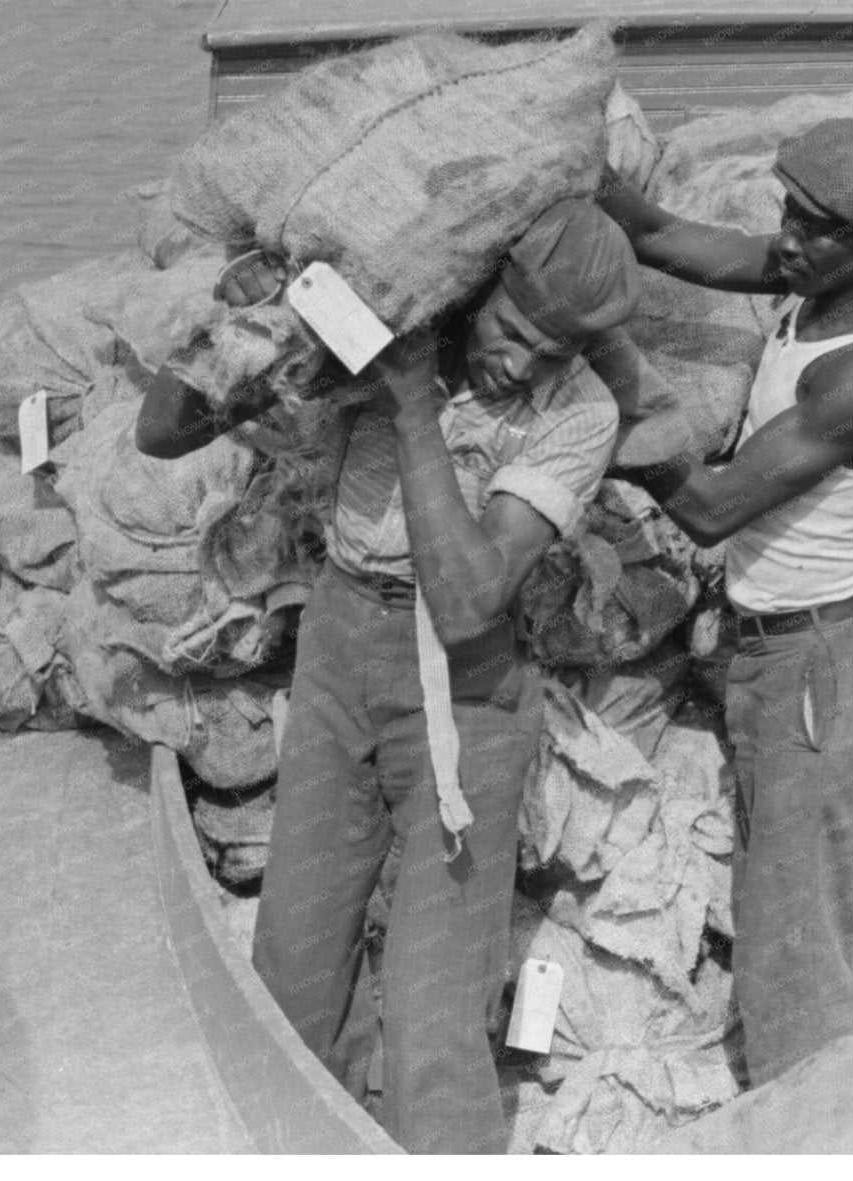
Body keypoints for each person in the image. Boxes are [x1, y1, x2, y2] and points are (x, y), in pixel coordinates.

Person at [133, 199, 636, 1153]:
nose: (522, 364)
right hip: (338, 642)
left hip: (468, 691)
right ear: (471, 288)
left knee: (433, 1016)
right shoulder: (386, 337)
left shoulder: (579, 415)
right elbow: (160, 433)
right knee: (294, 962)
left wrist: (413, 406)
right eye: (513, 332)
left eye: (553, 351)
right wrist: (244, 325)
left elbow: (468, 600)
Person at [595, 117, 853, 1085]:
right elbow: (664, 237)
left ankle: (819, 1123)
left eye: (812, 224)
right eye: (787, 210)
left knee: (793, 942)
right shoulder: (813, 283)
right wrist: (581, 173)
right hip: (773, 653)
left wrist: (606, 372)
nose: (785, 235)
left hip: (823, 664)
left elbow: (709, 508)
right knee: (772, 907)